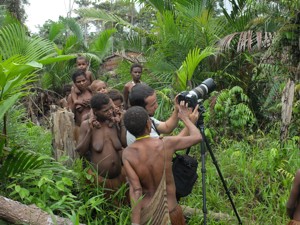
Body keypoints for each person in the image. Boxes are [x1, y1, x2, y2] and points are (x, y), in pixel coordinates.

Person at [122, 105, 202, 225]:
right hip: (170, 209)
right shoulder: (165, 143)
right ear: (149, 125)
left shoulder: (127, 154)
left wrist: (135, 222)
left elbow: (136, 190)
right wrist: (186, 119)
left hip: (148, 214)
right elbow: (197, 137)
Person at [75, 93, 127, 196]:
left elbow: (124, 143)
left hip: (119, 178)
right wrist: (90, 131)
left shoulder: (114, 122)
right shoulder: (86, 125)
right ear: (95, 112)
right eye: (105, 111)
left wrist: (121, 122)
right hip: (99, 181)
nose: (110, 112)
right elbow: (80, 151)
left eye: (111, 108)